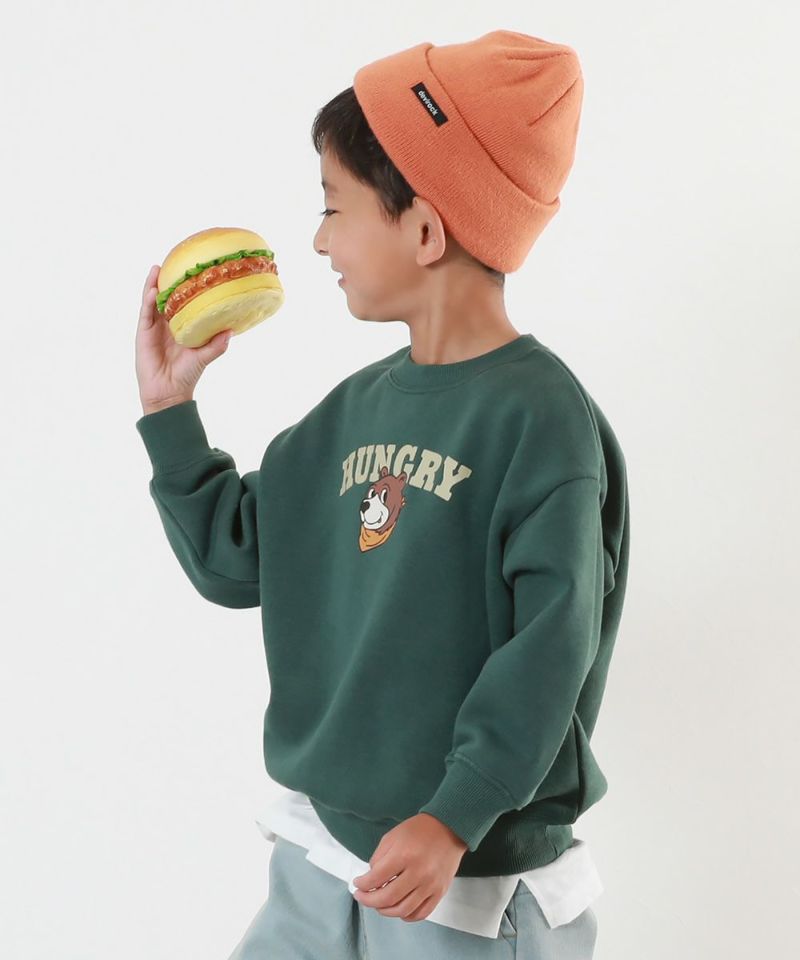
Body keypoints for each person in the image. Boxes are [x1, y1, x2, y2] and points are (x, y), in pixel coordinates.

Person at [134, 29, 630, 960]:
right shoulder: (351, 411)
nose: (319, 239)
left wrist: (454, 815)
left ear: (426, 229)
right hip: (323, 848)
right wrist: (170, 411)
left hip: (461, 879)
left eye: (334, 207)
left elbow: (550, 646)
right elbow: (238, 561)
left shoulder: (541, 422)